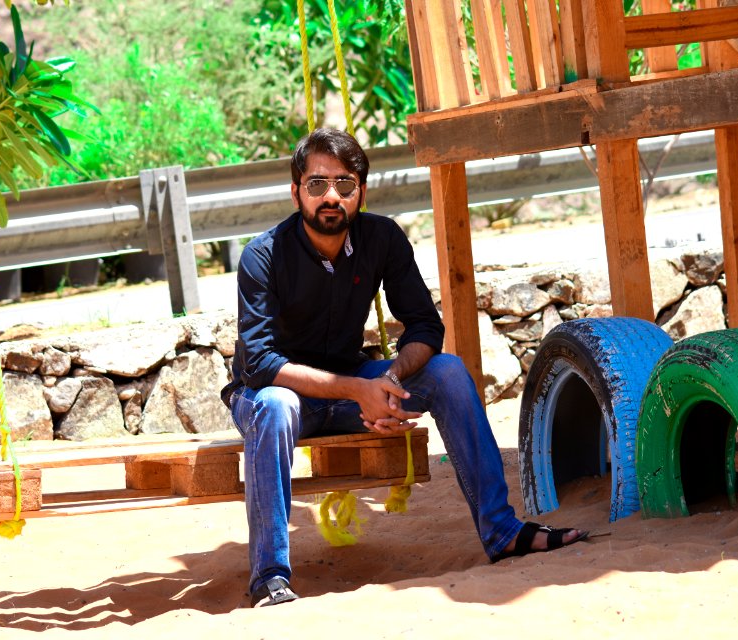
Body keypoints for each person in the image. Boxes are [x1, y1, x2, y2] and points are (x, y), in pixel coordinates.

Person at [221, 128, 588, 608]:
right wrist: (359, 390)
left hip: (354, 388)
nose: (331, 196)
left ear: (361, 192)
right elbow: (261, 363)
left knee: (449, 372)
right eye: (317, 184)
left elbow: (423, 328)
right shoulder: (263, 255)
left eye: (345, 184)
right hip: (279, 396)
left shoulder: (383, 239)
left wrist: (388, 384)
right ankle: (270, 576)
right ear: (296, 192)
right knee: (275, 404)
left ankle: (502, 532)